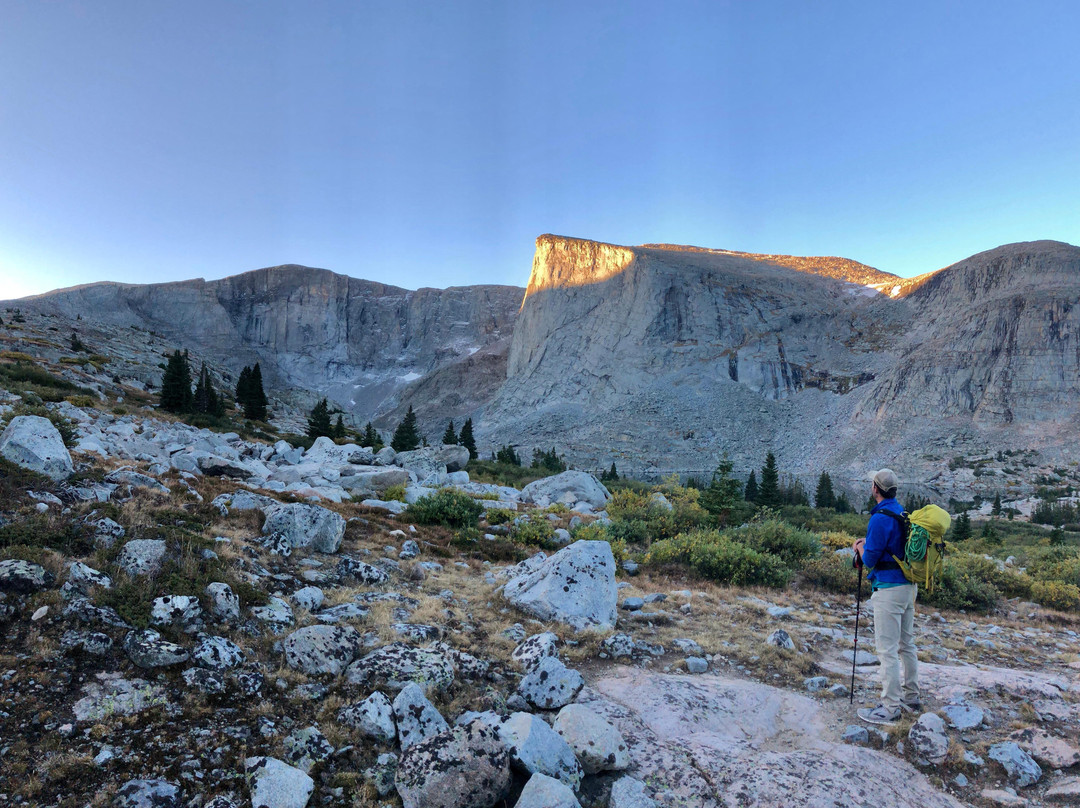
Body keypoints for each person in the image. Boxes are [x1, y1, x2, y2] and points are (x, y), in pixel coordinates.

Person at [852, 468, 920, 724]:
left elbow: (869, 560)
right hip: (908, 588)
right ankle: (912, 697)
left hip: (888, 590)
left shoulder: (880, 518)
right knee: (907, 644)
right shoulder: (903, 513)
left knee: (887, 651)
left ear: (875, 489)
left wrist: (859, 546)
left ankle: (890, 708)